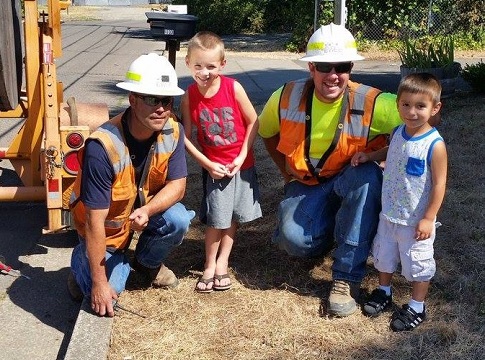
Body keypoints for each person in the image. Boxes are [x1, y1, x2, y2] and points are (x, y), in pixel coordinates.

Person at [258, 23, 440, 317]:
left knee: (367, 177)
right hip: (306, 182)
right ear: (311, 68)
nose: (333, 76)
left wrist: (387, 157)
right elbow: (266, 133)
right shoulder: (285, 96)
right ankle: (339, 229)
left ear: (351, 67)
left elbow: (422, 121)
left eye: (341, 67)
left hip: (351, 178)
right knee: (294, 242)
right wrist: (287, 173)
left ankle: (346, 277)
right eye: (324, 67)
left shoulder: (374, 102)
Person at [68, 53, 195, 316]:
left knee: (179, 219)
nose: (161, 108)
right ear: (133, 100)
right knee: (110, 291)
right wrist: (100, 283)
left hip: (139, 215)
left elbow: (178, 185)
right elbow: (94, 221)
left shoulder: (173, 130)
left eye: (166, 100)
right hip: (105, 232)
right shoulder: (102, 147)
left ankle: (147, 264)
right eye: (151, 99)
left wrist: (147, 211)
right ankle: (85, 264)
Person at [352, 73, 447, 331]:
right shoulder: (397, 132)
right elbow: (390, 151)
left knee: (418, 263)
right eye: (405, 104)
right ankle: (384, 291)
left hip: (415, 221)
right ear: (398, 104)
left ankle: (417, 306)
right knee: (384, 256)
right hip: (389, 213)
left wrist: (428, 218)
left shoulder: (434, 145)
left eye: (420, 106)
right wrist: (369, 156)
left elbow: (439, 184)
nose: (412, 112)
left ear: (434, 107)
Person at [181, 31, 262, 293]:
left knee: (232, 216)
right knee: (216, 217)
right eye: (198, 66)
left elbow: (253, 121)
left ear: (222, 65)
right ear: (188, 63)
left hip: (241, 165)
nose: (205, 72)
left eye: (211, 66)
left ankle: (222, 263)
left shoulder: (233, 88)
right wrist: (206, 164)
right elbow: (186, 136)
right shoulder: (189, 95)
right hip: (214, 168)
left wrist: (241, 156)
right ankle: (208, 265)